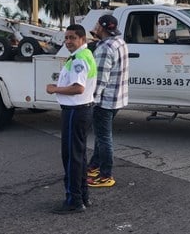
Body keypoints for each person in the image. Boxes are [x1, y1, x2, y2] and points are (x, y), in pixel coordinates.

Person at [46, 24, 97, 214]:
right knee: (80, 156)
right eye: (66, 38)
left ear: (82, 39)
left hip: (75, 111)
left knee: (70, 158)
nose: (68, 41)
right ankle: (83, 197)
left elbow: (78, 88)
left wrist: (54, 89)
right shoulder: (86, 55)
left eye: (72, 38)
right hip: (82, 110)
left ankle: (74, 201)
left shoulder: (78, 60)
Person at [86, 15, 129, 188]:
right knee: (101, 136)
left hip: (104, 100)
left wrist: (91, 100)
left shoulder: (105, 48)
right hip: (118, 98)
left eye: (97, 24)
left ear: (101, 28)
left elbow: (100, 79)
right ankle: (94, 165)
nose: (95, 27)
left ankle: (105, 175)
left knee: (103, 138)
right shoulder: (120, 42)